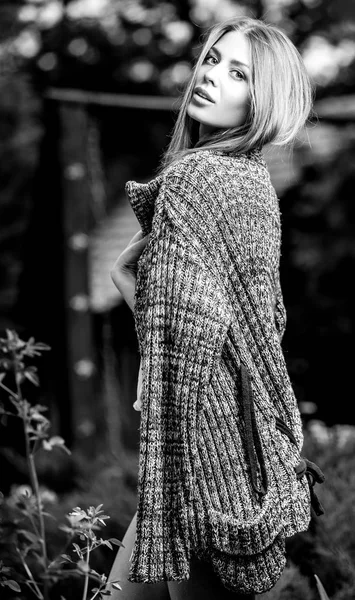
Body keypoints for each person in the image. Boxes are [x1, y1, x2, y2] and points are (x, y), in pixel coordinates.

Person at [108, 15, 325, 600]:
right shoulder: (255, 188)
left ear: (266, 98)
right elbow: (252, 324)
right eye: (211, 60)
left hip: (200, 448)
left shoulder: (195, 179)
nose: (211, 77)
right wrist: (129, 282)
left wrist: (158, 392)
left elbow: (189, 335)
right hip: (242, 439)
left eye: (239, 74)